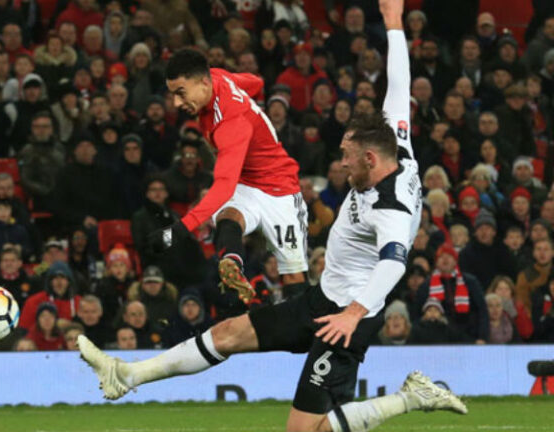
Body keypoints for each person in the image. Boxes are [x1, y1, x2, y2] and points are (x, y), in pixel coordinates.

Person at [79, 6, 467, 432]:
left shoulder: (391, 209)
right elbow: (399, 83)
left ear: (371, 159)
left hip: (345, 320)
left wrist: (353, 315)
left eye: (347, 157)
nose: (341, 164)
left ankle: (412, 397)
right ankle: (126, 375)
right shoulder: (397, 142)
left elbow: (393, 264)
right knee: (227, 334)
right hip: (323, 299)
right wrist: (393, 23)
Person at [151, 47, 310, 304]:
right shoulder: (218, 77)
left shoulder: (230, 123)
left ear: (203, 83)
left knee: (293, 277)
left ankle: (305, 323)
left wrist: (177, 231)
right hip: (246, 182)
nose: (177, 103)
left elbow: (224, 186)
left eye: (181, 93)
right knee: (228, 215)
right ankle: (232, 262)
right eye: (173, 95)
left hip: (280, 190)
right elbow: (256, 83)